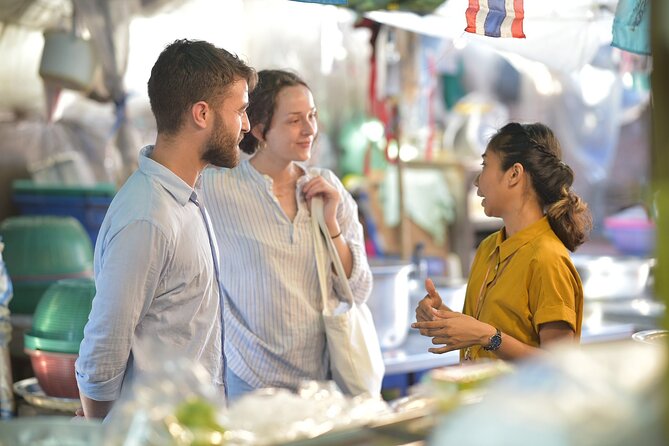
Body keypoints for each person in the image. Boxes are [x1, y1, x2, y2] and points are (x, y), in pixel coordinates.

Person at [75, 39, 256, 419]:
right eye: (240, 111)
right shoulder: (148, 216)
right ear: (202, 114)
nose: (247, 126)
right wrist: (105, 434)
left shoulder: (187, 197)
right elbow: (102, 351)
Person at [202, 69, 373, 402]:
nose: (310, 129)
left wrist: (331, 224)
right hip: (249, 379)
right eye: (295, 120)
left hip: (321, 382)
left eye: (312, 116)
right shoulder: (217, 186)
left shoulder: (327, 187)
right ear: (262, 129)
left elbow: (358, 289)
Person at [412, 122, 592, 361]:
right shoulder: (488, 248)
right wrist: (441, 316)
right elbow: (485, 331)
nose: (477, 180)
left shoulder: (548, 259)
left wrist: (489, 337)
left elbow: (559, 366)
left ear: (514, 174)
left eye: (485, 164)